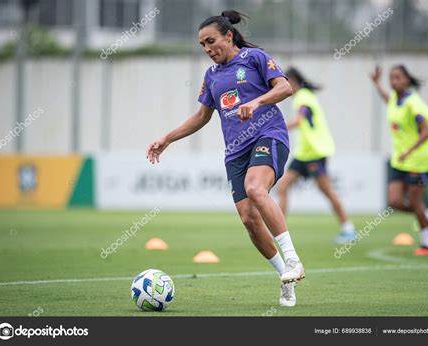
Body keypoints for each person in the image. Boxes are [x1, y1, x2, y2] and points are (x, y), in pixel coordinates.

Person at [146, 10, 304, 306]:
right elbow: (202, 117)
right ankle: (286, 278)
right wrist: (166, 138)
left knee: (256, 189)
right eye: (202, 45)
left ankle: (294, 260)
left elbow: (285, 87)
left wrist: (256, 102)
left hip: (268, 135)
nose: (207, 49)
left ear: (229, 36)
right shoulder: (211, 76)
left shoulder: (254, 58)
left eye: (211, 41)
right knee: (248, 219)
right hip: (235, 152)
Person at [277, 68, 357, 244]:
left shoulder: (303, 97)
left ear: (293, 81)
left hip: (315, 152)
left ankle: (349, 229)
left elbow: (299, 120)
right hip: (304, 153)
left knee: (327, 190)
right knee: (282, 187)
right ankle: (279, 231)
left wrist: (276, 128)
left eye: (285, 82)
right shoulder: (302, 97)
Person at [370, 64, 428, 256]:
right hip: (399, 161)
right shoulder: (394, 99)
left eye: (398, 77)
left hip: (417, 161)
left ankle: (427, 244)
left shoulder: (413, 103)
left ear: (407, 79)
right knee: (395, 201)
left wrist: (409, 151)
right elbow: (387, 99)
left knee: (416, 202)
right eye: (391, 78)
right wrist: (376, 83)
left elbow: (426, 131)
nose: (393, 81)